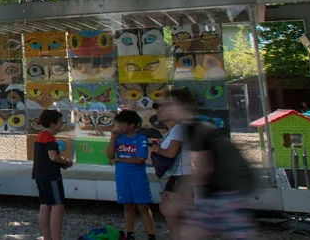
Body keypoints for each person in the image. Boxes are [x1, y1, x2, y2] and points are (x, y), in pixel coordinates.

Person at [166, 87, 256, 240]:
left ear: (181, 105)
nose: (166, 109)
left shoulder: (193, 128)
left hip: (221, 194)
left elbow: (202, 168)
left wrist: (180, 197)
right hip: (220, 194)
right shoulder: (197, 124)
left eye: (169, 104)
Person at [107, 110, 156, 240]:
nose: (119, 127)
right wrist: (112, 138)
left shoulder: (141, 139)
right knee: (127, 206)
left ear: (132, 125)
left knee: (143, 206)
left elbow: (140, 159)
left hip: (138, 178)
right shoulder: (118, 138)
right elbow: (110, 156)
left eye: (121, 124)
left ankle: (151, 234)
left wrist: (120, 159)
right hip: (122, 177)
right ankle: (130, 233)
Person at [34, 109, 74, 240]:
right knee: (58, 207)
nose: (61, 126)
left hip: (39, 175)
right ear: (52, 124)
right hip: (51, 176)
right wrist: (66, 162)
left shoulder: (40, 136)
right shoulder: (50, 138)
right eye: (59, 123)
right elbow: (53, 157)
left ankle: (47, 237)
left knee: (45, 205)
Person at [153, 102, 190, 239]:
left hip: (181, 175)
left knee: (171, 211)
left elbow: (170, 153)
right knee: (169, 210)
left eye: (162, 110)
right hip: (176, 175)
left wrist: (156, 149)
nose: (159, 113)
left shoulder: (177, 129)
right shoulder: (173, 131)